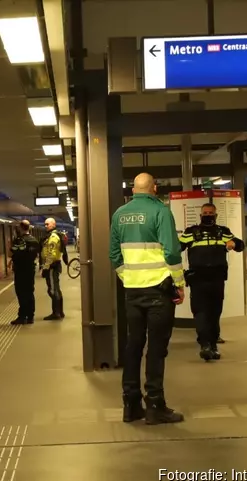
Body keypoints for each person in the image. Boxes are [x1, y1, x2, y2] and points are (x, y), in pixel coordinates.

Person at [109, 172, 185, 425]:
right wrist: (179, 283)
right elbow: (172, 252)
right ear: (154, 188)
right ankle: (155, 405)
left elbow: (114, 255)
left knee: (133, 346)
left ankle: (130, 405)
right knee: (156, 349)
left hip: (132, 291)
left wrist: (127, 278)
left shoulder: (119, 214)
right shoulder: (160, 211)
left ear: (133, 189)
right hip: (158, 291)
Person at [179, 203, 244, 361]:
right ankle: (205, 345)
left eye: (211, 213)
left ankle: (213, 344)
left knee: (215, 313)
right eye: (205, 213)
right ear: (200, 215)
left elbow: (240, 245)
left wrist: (234, 244)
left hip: (217, 279)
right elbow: (177, 248)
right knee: (200, 312)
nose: (208, 215)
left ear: (216, 215)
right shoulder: (191, 232)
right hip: (198, 279)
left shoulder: (223, 232)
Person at [9, 220, 40, 325]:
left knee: (21, 293)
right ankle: (31, 316)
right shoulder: (34, 240)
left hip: (20, 270)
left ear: (21, 228)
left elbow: (11, 253)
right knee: (30, 292)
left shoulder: (19, 240)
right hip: (30, 269)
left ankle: (22, 316)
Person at [40, 218, 68, 320]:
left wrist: (45, 268)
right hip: (54, 265)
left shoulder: (53, 237)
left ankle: (56, 313)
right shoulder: (53, 235)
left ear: (53, 224)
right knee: (56, 288)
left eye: (47, 224)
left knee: (52, 290)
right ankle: (60, 312)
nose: (46, 226)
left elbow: (51, 254)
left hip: (52, 266)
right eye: (45, 224)